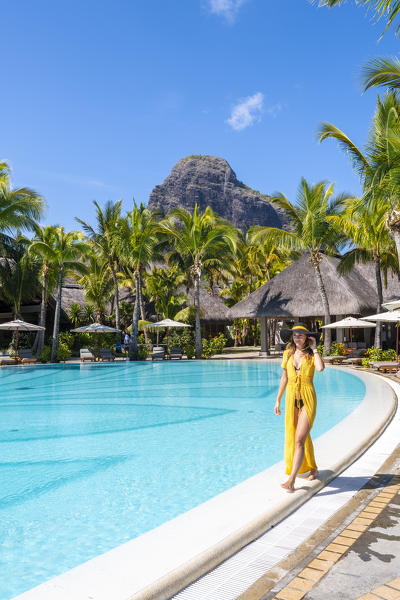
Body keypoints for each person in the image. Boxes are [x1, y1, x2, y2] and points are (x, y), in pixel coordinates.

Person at [274, 322, 325, 493]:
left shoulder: (311, 356)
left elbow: (321, 368)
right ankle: (313, 468)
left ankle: (291, 480)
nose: (298, 338)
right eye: (295, 335)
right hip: (291, 400)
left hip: (308, 399)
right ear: (292, 337)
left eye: (301, 335)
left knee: (299, 439)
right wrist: (278, 400)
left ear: (307, 338)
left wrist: (315, 348)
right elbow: (284, 379)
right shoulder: (287, 354)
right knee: (299, 437)